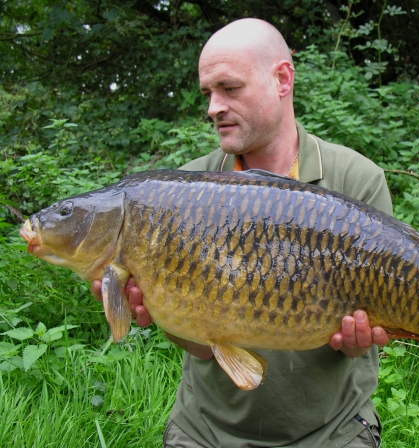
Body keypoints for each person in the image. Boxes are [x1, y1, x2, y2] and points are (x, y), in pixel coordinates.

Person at [93, 18, 393, 448]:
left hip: (331, 431)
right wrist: (162, 309)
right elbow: (198, 344)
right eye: (208, 94)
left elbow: (358, 348)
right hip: (207, 430)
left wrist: (357, 341)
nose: (213, 107)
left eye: (229, 89)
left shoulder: (356, 179)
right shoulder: (181, 190)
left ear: (282, 79)